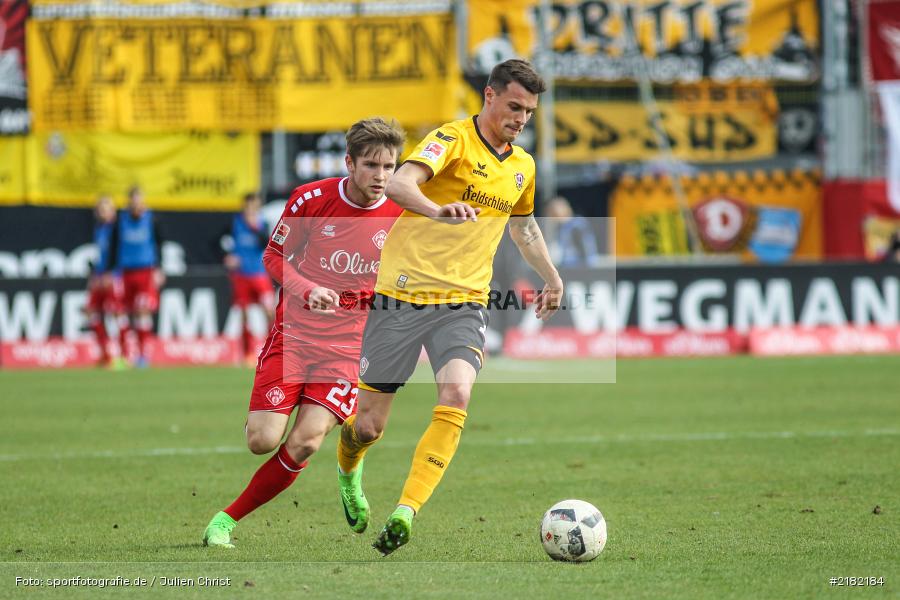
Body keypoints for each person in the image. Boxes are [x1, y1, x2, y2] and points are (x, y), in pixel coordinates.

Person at [334, 59, 564, 555]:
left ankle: (405, 511)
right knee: (368, 425)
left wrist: (552, 276)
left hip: (463, 302)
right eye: (514, 106)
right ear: (489, 96)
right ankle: (349, 469)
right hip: (401, 295)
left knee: (456, 393)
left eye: (529, 112)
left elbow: (523, 228)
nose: (521, 118)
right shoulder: (452, 139)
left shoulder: (523, 166)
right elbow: (398, 183)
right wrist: (438, 210)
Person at [202, 118, 416, 548]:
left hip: (348, 349)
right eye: (371, 165)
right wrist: (306, 288)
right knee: (262, 440)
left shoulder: (401, 212)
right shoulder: (312, 199)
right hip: (294, 337)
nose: (380, 177)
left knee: (305, 443)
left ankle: (225, 521)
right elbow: (273, 256)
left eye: (389, 167)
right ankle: (335, 446)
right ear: (349, 163)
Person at [108, 186, 165, 367]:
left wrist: (159, 268)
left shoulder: (152, 219)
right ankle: (124, 354)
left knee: (142, 312)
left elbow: (159, 244)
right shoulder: (120, 220)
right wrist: (111, 271)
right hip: (125, 272)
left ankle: (143, 355)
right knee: (121, 312)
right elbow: (114, 247)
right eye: (133, 201)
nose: (137, 205)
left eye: (140, 201)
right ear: (129, 202)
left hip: (145, 272)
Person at [219, 192, 275, 365]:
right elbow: (217, 241)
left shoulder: (262, 224)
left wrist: (255, 227)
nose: (251, 209)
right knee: (244, 313)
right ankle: (248, 353)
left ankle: (272, 349)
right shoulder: (234, 222)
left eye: (254, 205)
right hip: (241, 275)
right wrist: (227, 255)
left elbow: (266, 242)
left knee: (269, 311)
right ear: (244, 206)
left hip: (259, 274)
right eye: (249, 205)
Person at [85, 195, 125, 369]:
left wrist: (111, 273)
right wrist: (95, 274)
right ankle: (105, 354)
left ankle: (122, 355)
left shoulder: (117, 229)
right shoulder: (99, 229)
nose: (103, 212)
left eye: (106, 208)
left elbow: (119, 253)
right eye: (100, 209)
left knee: (116, 314)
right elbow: (99, 255)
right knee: (93, 313)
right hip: (100, 276)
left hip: (112, 276)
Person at [543, 196, 603, 268]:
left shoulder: (577, 225)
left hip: (581, 267)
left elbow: (587, 251)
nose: (551, 217)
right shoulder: (560, 228)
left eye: (552, 213)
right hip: (567, 267)